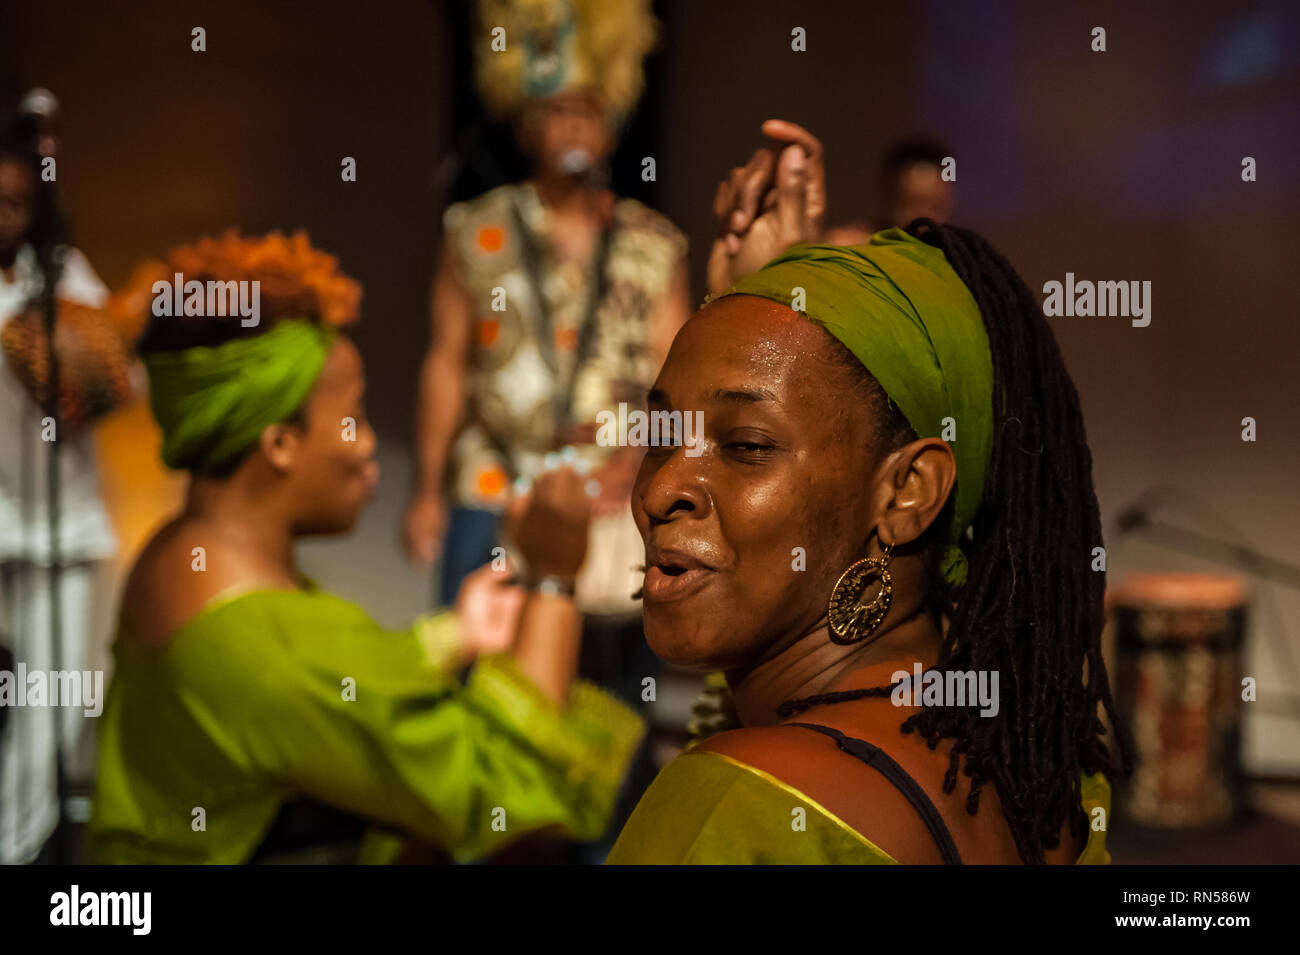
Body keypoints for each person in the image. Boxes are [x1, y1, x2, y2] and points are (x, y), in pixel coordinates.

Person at [608, 122, 1130, 864]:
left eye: (746, 445)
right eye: (665, 434)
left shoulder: (745, 808)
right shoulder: (1042, 775)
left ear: (908, 491)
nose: (663, 487)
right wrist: (758, 300)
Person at [87, 233, 643, 864]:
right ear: (279, 445)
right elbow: (514, 802)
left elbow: (333, 693)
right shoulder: (275, 651)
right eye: (352, 417)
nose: (368, 445)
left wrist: (455, 634)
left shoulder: (178, 555)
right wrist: (552, 578)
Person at [403, 0, 690, 612]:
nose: (574, 128)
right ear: (527, 125)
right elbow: (447, 363)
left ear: (612, 127)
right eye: (557, 112)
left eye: (589, 113)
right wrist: (427, 491)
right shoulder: (475, 232)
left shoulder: (654, 243)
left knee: (601, 690)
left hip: (610, 490)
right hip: (491, 481)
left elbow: (677, 372)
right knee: (471, 663)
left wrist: (638, 465)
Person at [0, 130, 119, 864]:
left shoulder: (64, 276)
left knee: (52, 702)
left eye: (14, 201)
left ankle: (22, 848)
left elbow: (111, 383)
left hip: (55, 521)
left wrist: (65, 360)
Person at [824, 134, 956, 245]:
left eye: (937, 208)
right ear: (887, 196)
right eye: (911, 205)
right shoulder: (850, 247)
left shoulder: (952, 255)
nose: (926, 220)